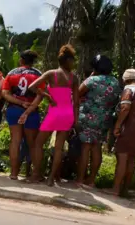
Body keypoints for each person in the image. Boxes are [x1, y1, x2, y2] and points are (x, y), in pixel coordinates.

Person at [26, 44, 80, 186]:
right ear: (69, 61)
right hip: (67, 114)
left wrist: (46, 96)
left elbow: (31, 87)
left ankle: (36, 174)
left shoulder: (51, 74)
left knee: (38, 143)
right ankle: (51, 178)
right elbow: (76, 102)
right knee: (59, 147)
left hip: (54, 113)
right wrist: (76, 119)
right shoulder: (74, 78)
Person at [76, 55, 121, 188]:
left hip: (89, 117)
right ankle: (91, 180)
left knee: (85, 148)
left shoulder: (92, 80)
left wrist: (90, 77)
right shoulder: (115, 82)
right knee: (97, 148)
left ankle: (79, 179)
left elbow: (78, 93)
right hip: (105, 119)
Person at [1, 50, 43, 180]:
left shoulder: (11, 73)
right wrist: (30, 107)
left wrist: (19, 102)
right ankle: (34, 174)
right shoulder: (38, 74)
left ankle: (14, 173)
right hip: (31, 112)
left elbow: (5, 93)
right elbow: (40, 95)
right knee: (33, 144)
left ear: (21, 60)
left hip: (14, 109)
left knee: (15, 141)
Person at [108, 69, 135, 196]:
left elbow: (125, 108)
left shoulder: (128, 89)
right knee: (131, 159)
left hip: (128, 128)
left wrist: (117, 125)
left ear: (126, 79)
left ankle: (116, 189)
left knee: (122, 158)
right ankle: (126, 189)